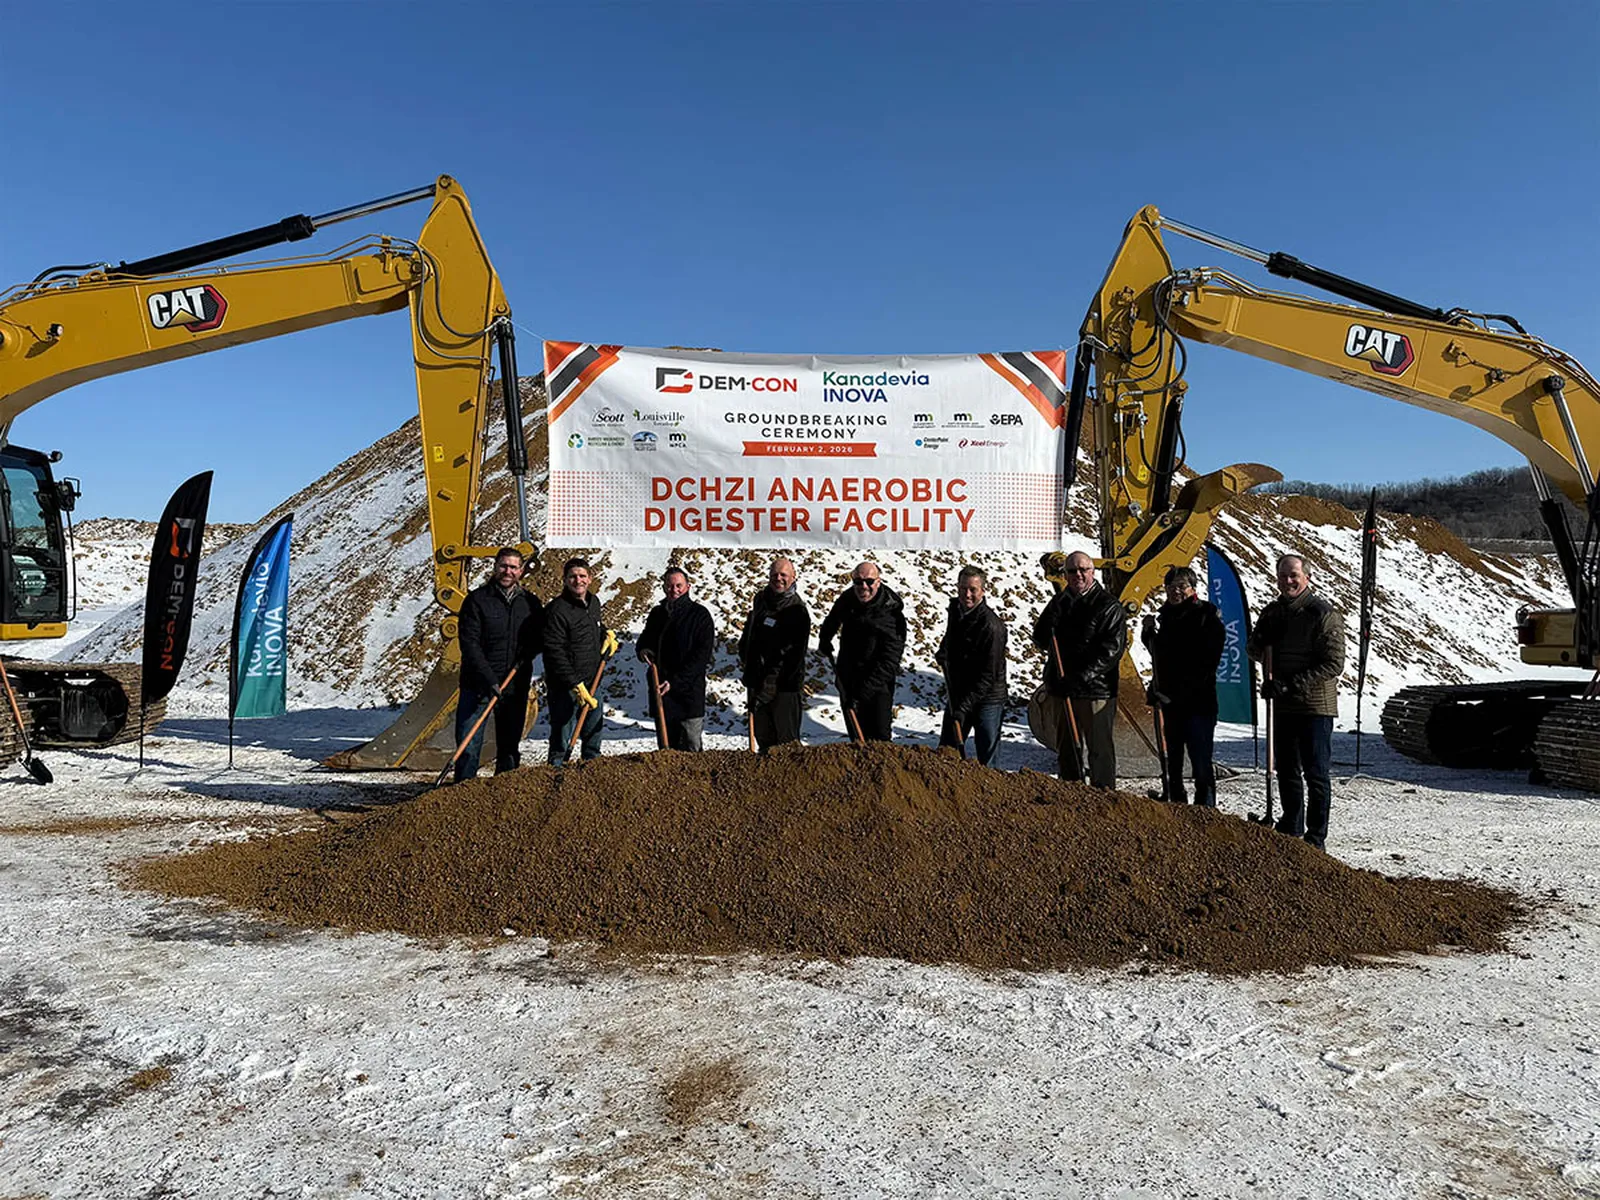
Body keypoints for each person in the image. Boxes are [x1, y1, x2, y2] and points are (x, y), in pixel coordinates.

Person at [1248, 553, 1345, 850]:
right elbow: (1253, 649)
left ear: (1307, 578)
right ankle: (1291, 827)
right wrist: (1261, 642)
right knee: (1287, 769)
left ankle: (1316, 839)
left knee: (1316, 774)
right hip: (1283, 705)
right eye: (1282, 576)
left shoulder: (1322, 614)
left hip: (1314, 706)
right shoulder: (1273, 612)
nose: (1287, 581)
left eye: (1293, 575)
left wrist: (1289, 685)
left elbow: (1333, 664)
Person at [1031, 551, 1126, 787]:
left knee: (1099, 750)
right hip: (1063, 688)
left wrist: (1080, 678)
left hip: (1095, 691)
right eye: (1072, 571)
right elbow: (1041, 639)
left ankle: (1104, 797)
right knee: (1067, 747)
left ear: (1093, 572)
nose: (1078, 575)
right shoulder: (1059, 602)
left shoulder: (1108, 606)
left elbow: (1111, 651)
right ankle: (1071, 796)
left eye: (1083, 569)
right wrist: (1047, 625)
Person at [453, 547, 543, 783]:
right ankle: (463, 794)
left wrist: (529, 652)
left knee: (510, 747)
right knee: (468, 744)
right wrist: (489, 679)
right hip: (477, 685)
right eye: (503, 566)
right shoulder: (477, 600)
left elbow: (540, 637)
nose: (508, 571)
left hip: (514, 685)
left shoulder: (531, 603)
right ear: (495, 567)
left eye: (513, 567)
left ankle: (504, 797)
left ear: (521, 571)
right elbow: (469, 643)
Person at [1143, 565, 1225, 806]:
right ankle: (1175, 800)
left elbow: (1206, 663)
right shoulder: (1166, 617)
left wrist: (1176, 691)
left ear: (1193, 588)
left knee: (1200, 760)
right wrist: (1149, 636)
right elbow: (1162, 656)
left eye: (1181, 586)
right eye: (1170, 587)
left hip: (1198, 702)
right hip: (1170, 702)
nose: (1175, 591)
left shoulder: (1206, 617)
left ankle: (1205, 808)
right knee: (1173, 757)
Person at [817, 561, 907, 742]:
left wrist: (861, 694)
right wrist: (825, 638)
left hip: (877, 684)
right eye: (857, 582)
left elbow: (890, 662)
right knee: (856, 737)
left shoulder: (891, 614)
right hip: (849, 676)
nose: (863, 586)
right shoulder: (849, 598)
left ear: (879, 582)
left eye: (869, 581)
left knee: (879, 739)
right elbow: (834, 617)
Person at [543, 557, 618, 767]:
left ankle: (591, 773)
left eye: (582, 576)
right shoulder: (557, 610)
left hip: (593, 681)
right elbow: (554, 652)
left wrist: (606, 635)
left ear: (590, 578)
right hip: (565, 687)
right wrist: (574, 684)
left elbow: (591, 629)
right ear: (565, 580)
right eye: (573, 576)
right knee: (562, 736)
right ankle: (556, 775)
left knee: (593, 735)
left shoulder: (593, 603)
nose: (578, 580)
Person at [635, 565, 715, 752]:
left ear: (688, 586)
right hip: (661, 690)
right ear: (664, 587)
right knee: (666, 749)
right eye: (670, 586)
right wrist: (644, 650)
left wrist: (675, 682)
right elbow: (645, 639)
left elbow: (701, 656)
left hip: (688, 693)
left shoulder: (699, 615)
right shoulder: (657, 614)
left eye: (679, 585)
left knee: (691, 747)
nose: (674, 590)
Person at [935, 565, 1008, 766]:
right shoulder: (956, 612)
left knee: (987, 758)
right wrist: (944, 651)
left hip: (988, 699)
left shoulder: (991, 626)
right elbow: (952, 637)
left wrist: (964, 706)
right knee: (947, 752)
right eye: (963, 588)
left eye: (973, 590)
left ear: (983, 591)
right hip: (959, 692)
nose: (967, 594)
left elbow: (988, 675)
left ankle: (990, 793)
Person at [738, 557, 811, 751]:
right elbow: (750, 632)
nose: (778, 578)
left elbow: (793, 655)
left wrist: (770, 683)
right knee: (763, 737)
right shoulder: (761, 600)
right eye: (774, 575)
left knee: (786, 742)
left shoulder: (798, 611)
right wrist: (746, 656)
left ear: (793, 578)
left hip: (784, 685)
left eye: (783, 575)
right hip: (757, 681)